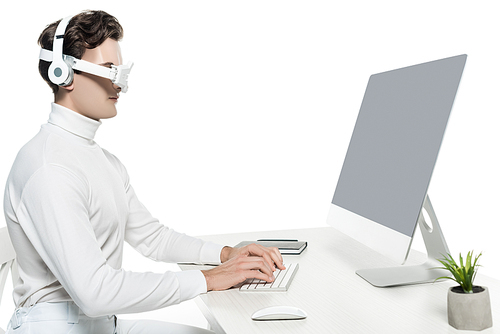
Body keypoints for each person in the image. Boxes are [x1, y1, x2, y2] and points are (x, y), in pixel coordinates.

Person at [3, 10, 284, 334]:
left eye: (120, 71)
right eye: (109, 70)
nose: (119, 83)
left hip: (99, 324)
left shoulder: (102, 161)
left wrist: (224, 256)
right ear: (64, 73)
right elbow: (95, 292)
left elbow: (151, 237)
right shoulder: (49, 167)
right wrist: (208, 279)